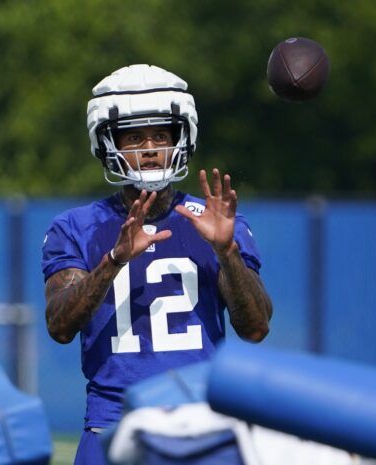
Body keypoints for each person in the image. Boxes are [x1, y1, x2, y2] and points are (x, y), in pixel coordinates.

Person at [41, 64, 273, 465]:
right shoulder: (76, 227)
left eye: (160, 136)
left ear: (181, 139)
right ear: (107, 141)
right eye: (134, 137)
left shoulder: (212, 221)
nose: (149, 148)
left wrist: (226, 251)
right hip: (113, 422)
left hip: (201, 421)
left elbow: (255, 327)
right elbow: (59, 326)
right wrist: (113, 260)